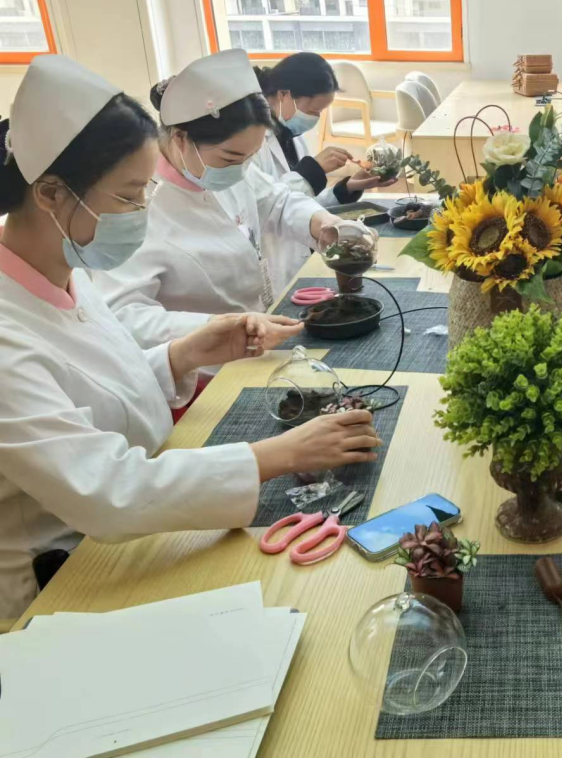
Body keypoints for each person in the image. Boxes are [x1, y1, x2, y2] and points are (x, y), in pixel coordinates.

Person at [0, 55, 381, 619]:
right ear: (51, 193)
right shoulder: (8, 332)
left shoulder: (66, 273)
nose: (143, 210)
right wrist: (275, 456)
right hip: (64, 578)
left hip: (138, 524)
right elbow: (106, 490)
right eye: (129, 196)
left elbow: (99, 394)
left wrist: (181, 355)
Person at [95, 49, 350, 346]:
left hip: (259, 336)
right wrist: (218, 327)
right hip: (202, 361)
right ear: (180, 138)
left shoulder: (228, 169)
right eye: (230, 158)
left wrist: (322, 223)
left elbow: (277, 202)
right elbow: (125, 314)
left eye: (249, 157)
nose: (241, 169)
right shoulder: (134, 207)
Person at [251, 53, 393, 289]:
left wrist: (346, 189)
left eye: (320, 112)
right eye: (313, 110)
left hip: (301, 253)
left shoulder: (292, 135)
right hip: (273, 259)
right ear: (284, 94)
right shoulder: (253, 144)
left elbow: (305, 205)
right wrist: (312, 170)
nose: (315, 118)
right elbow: (269, 205)